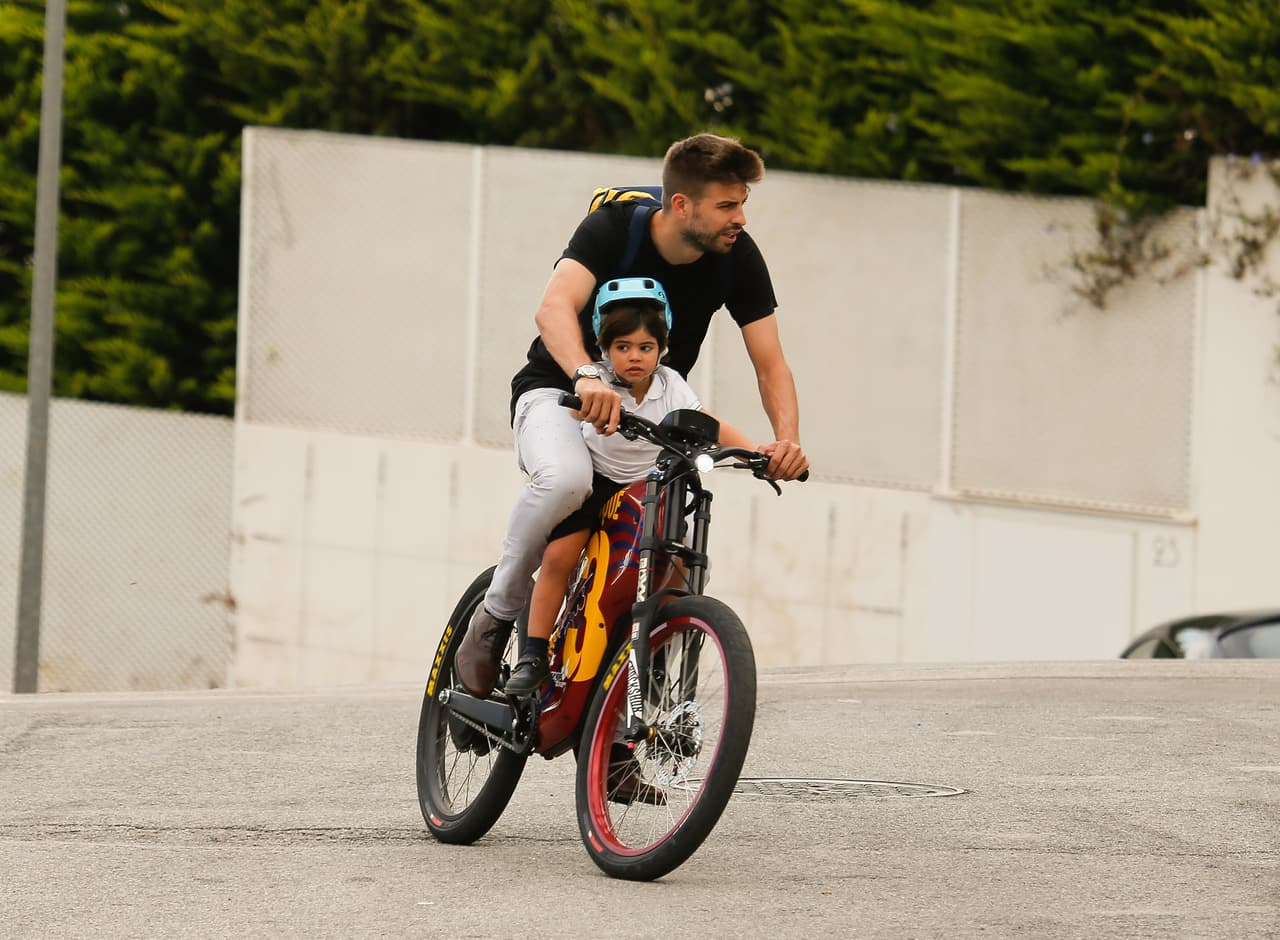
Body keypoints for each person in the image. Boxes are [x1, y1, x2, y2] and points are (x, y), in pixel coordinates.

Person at [456, 132, 808, 699]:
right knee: (566, 480)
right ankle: (494, 620)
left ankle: (626, 729)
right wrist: (585, 375)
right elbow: (554, 308)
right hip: (559, 395)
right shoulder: (612, 230)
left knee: (671, 558)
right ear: (680, 205)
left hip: (652, 414)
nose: (740, 218)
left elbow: (771, 364)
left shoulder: (737, 256)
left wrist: (784, 443)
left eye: (743, 203)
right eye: (727, 205)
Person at [502, 278, 756, 696]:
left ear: (662, 348)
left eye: (645, 347)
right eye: (623, 347)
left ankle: (654, 655)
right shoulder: (597, 383)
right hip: (597, 485)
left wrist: (755, 453)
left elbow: (708, 423)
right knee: (561, 555)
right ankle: (532, 654)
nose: (634, 357)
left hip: (645, 490)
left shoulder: (671, 385)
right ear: (605, 348)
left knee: (679, 561)